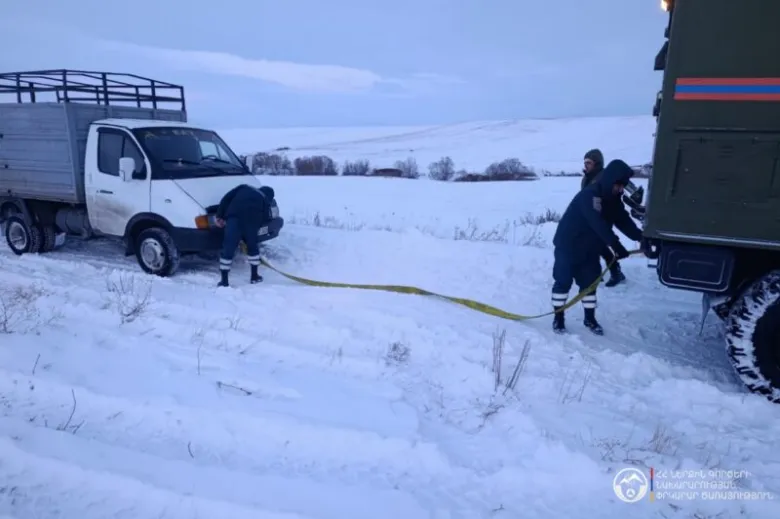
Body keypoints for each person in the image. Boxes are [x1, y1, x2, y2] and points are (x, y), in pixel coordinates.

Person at [551, 159, 641, 335]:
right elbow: (597, 223)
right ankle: (558, 318)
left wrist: (643, 238)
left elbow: (624, 221)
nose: (620, 190)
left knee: (589, 283)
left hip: (590, 248)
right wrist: (616, 245)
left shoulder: (613, 201)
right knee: (563, 282)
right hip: (568, 245)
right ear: (610, 180)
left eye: (623, 186)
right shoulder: (589, 195)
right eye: (618, 185)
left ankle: (590, 319)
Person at [580, 149, 634, 287]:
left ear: (597, 163)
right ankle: (600, 272)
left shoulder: (606, 177)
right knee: (594, 246)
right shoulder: (586, 178)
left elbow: (618, 196)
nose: (585, 165)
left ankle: (615, 272)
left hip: (604, 217)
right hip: (591, 217)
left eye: (589, 163)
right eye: (585, 163)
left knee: (600, 245)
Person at [213, 184, 274, 287]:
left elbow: (226, 199)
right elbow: (266, 218)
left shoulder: (243, 187)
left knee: (228, 249)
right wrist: (251, 232)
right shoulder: (264, 199)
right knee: (253, 248)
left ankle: (224, 281)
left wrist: (220, 215)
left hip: (233, 219)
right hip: (251, 223)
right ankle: (254, 276)